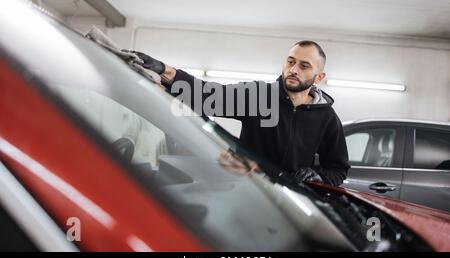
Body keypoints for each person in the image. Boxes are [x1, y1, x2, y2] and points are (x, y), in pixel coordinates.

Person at [124, 40, 349, 186]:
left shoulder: (327, 118)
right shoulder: (260, 95)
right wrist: (165, 70)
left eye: (304, 66)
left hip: (292, 204)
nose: (293, 70)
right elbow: (208, 96)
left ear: (319, 77)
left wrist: (319, 178)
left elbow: (338, 169)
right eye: (290, 62)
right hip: (248, 192)